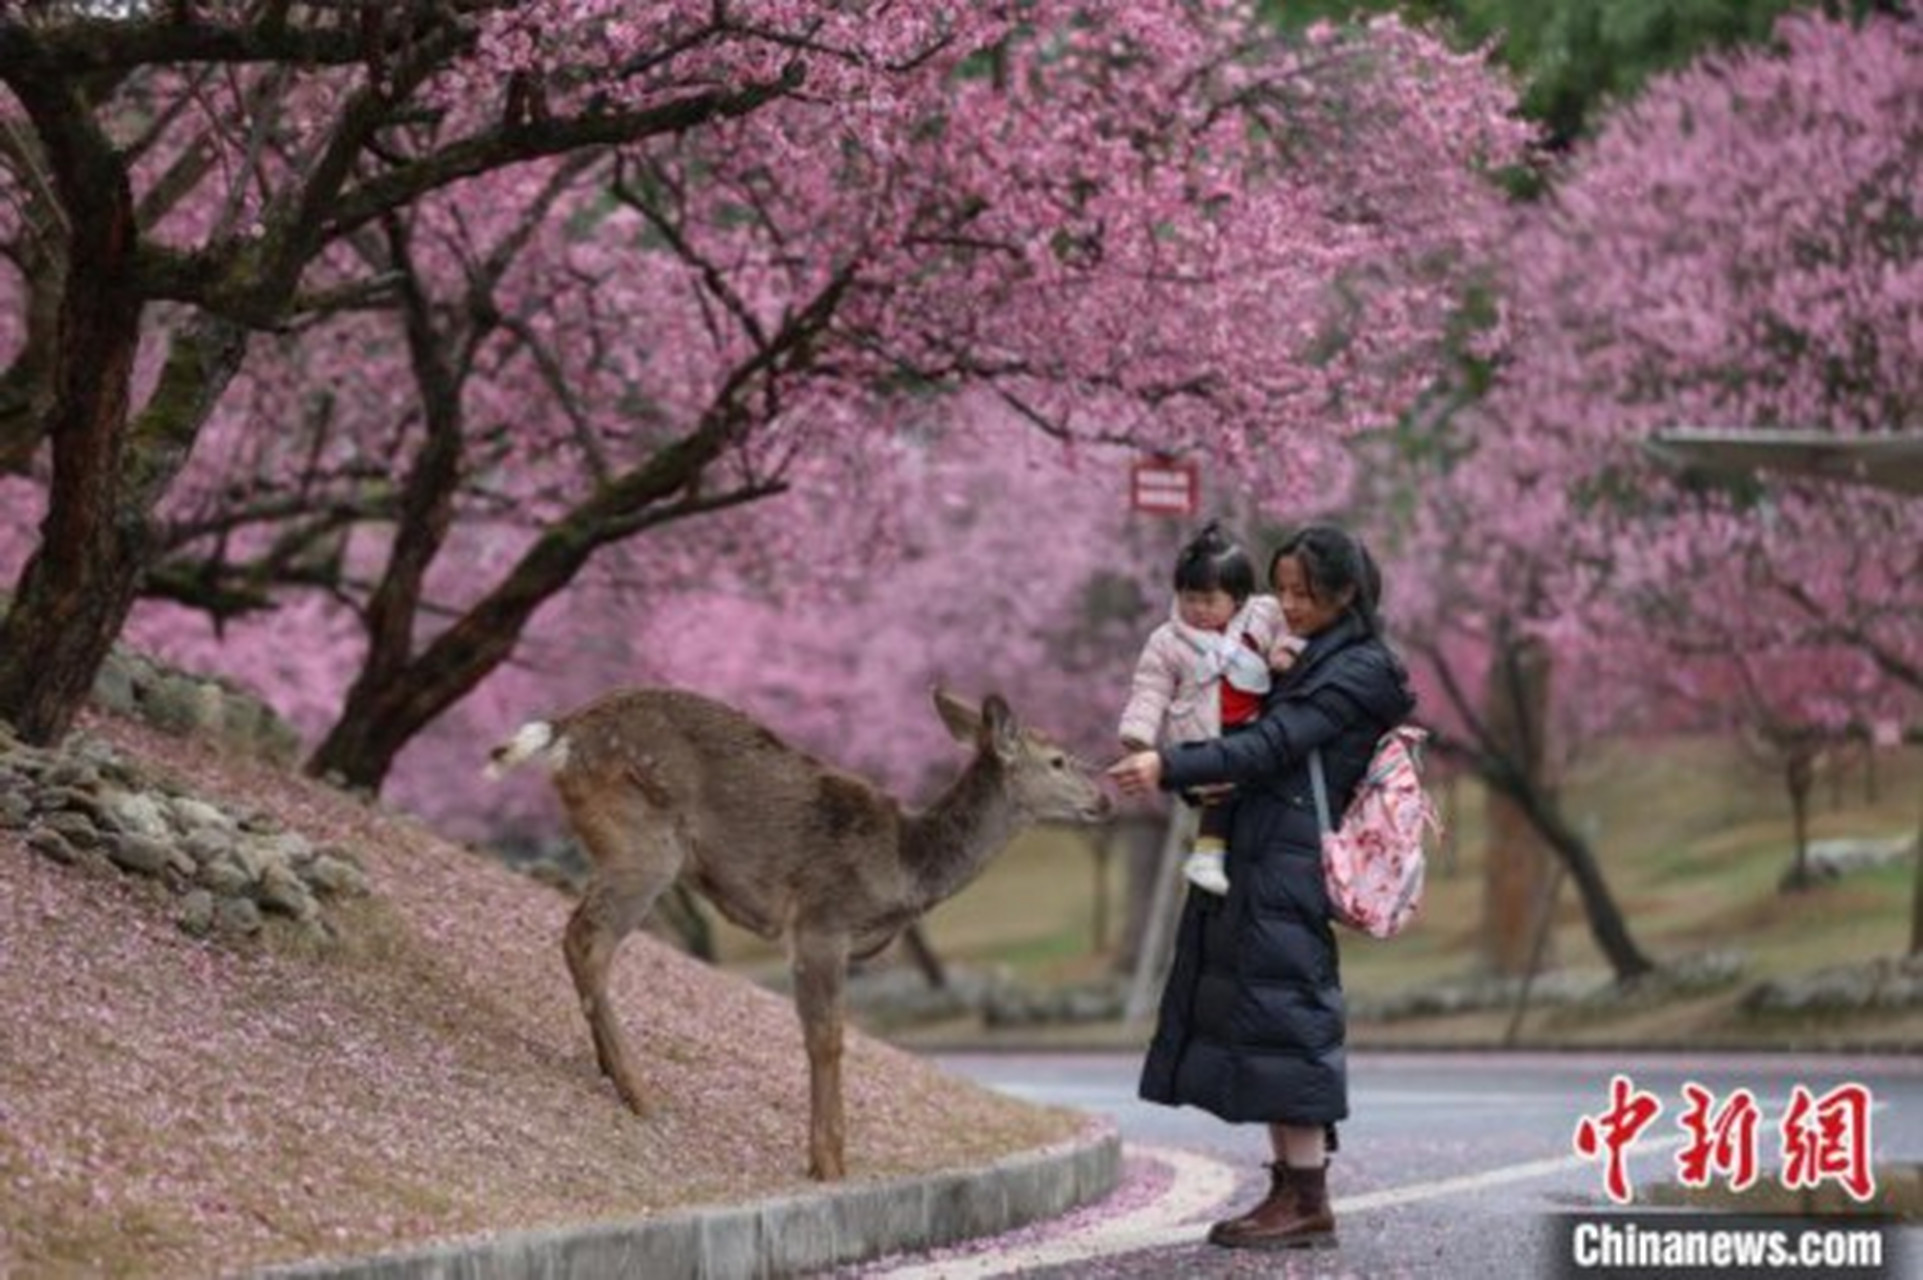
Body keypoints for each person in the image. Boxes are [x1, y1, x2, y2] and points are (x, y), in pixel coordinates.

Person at [1107, 522, 1416, 1252]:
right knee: (1268, 1020)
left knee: (1289, 1020)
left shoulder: (1358, 669)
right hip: (1261, 853)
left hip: (1289, 864)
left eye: (1302, 592)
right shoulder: (1307, 655)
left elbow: (1272, 746)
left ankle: (1307, 1199)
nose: (1287, 603)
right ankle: (1288, 1187)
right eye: (1279, 589)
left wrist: (1169, 765)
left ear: (1346, 593)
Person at [1117, 521, 1292, 896]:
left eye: (1209, 600)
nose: (1197, 609)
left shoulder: (1261, 616)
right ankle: (1206, 856)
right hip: (1202, 731)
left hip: (1254, 725)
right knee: (1218, 793)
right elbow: (1151, 687)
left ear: (1239, 598)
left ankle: (1228, 857)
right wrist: (1138, 732)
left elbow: (1288, 624)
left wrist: (1283, 650)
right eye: (1189, 598)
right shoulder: (1167, 641)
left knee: (1252, 789)